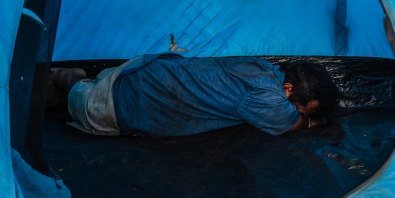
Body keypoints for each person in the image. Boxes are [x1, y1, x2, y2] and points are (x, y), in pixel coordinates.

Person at [48, 54, 338, 137]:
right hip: (118, 105)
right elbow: (290, 125)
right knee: (76, 98)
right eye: (303, 108)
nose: (299, 113)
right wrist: (315, 124)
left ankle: (77, 85)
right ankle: (68, 78)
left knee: (66, 100)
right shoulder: (268, 97)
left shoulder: (262, 67)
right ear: (288, 90)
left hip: (138, 69)